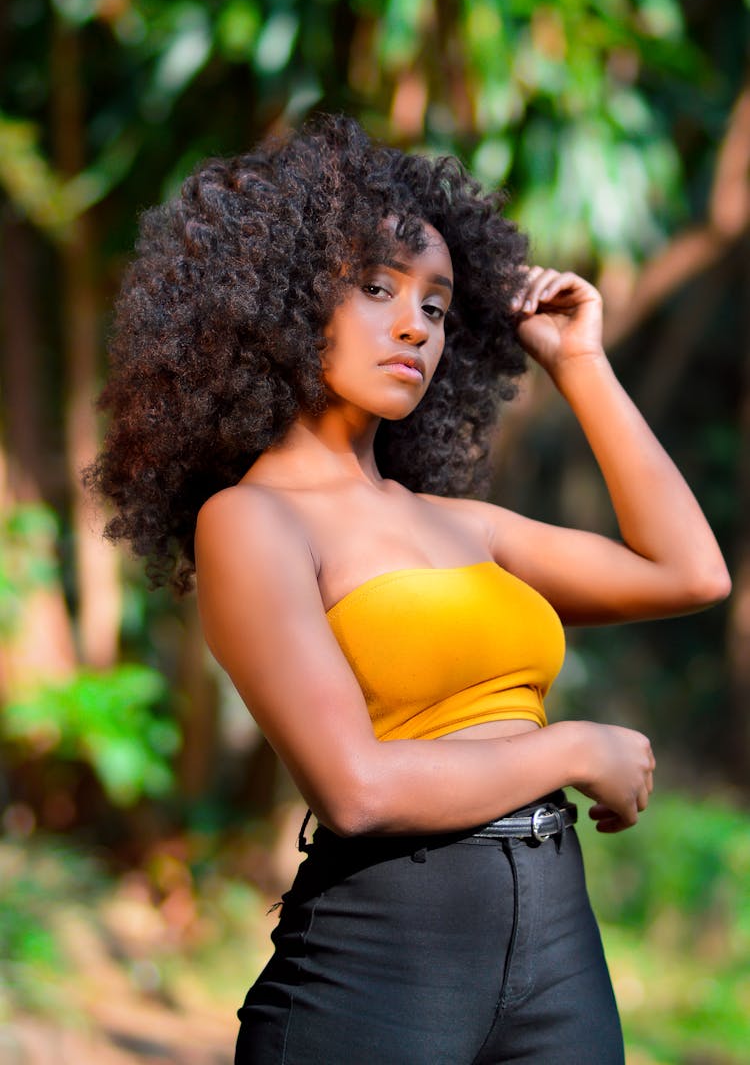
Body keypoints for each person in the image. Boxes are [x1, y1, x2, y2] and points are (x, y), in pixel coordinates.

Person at [88, 114, 730, 1064]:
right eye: (377, 288)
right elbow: (356, 789)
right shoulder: (251, 521)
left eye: (436, 306)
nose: (413, 327)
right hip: (378, 967)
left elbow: (691, 571)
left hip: (559, 950)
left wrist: (579, 365)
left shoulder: (463, 523)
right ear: (285, 301)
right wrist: (576, 746)